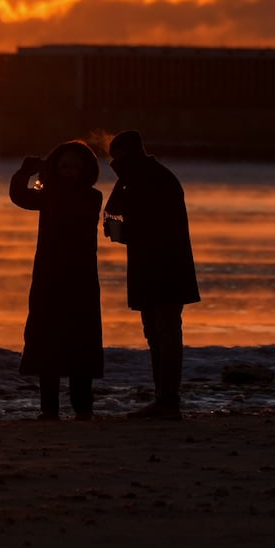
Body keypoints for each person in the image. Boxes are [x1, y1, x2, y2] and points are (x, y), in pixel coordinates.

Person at [103, 130, 199, 419]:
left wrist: (121, 232)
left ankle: (168, 401)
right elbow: (116, 210)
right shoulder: (140, 178)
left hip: (165, 267)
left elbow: (152, 227)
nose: (116, 165)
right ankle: (165, 399)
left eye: (117, 160)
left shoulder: (153, 179)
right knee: (156, 334)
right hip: (154, 266)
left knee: (165, 334)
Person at [9, 140, 105, 421]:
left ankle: (83, 408)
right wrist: (26, 171)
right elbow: (19, 196)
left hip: (80, 280)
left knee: (80, 344)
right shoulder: (50, 195)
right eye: (63, 166)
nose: (69, 171)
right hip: (48, 278)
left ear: (86, 169)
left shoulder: (90, 197)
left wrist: (39, 173)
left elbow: (30, 197)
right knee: (46, 342)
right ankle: (49, 409)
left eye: (75, 166)